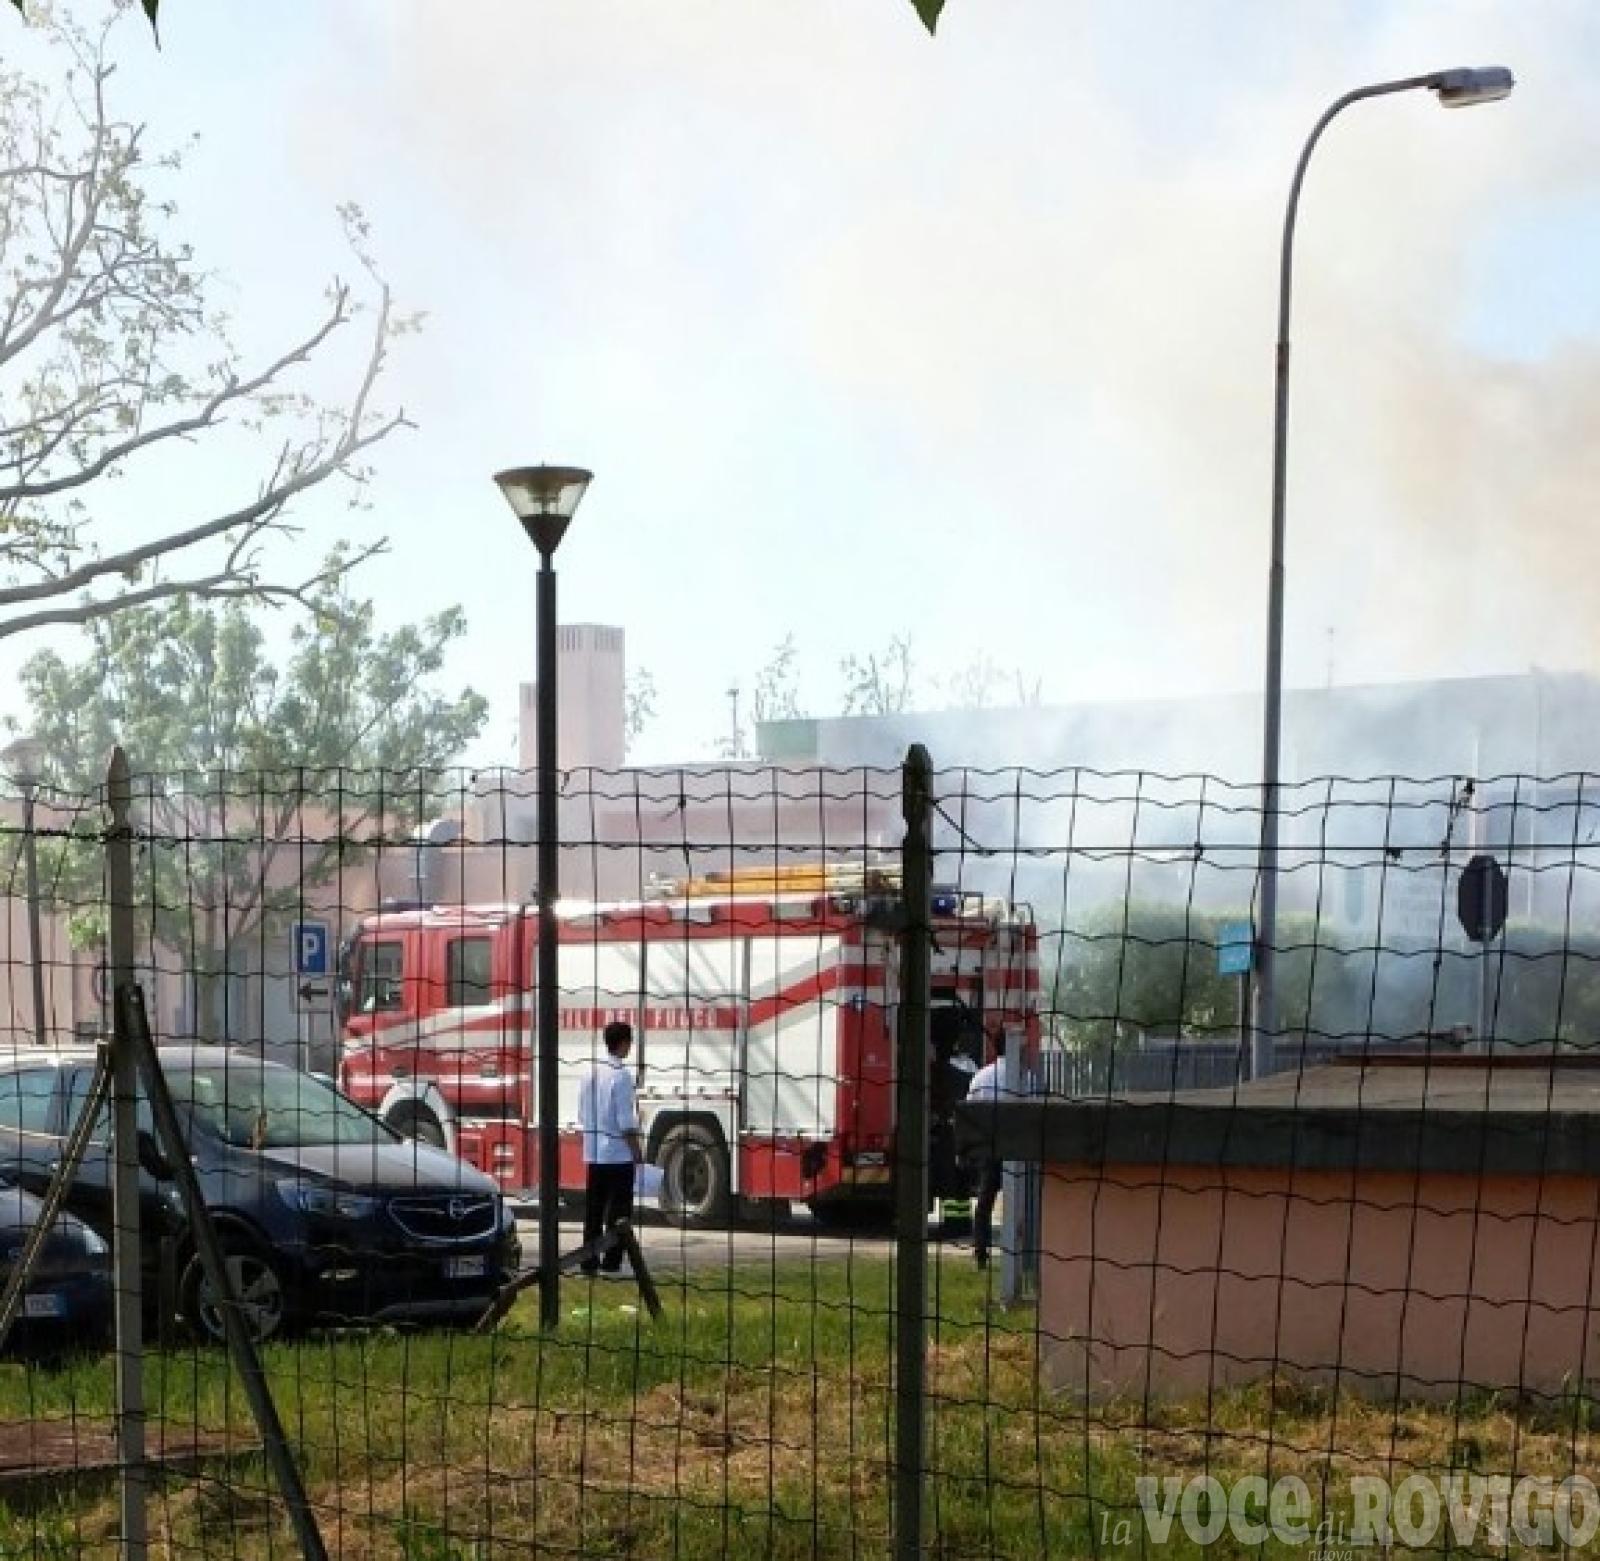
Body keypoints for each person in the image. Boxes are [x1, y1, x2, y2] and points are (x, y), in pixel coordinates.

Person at [577, 1019, 644, 1275]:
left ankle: (588, 1260)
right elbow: (626, 1121)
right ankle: (612, 1260)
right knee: (618, 1211)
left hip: (594, 1152)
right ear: (624, 1043)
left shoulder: (589, 1072)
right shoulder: (621, 1076)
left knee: (593, 1210)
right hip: (617, 1154)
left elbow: (582, 1113)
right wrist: (636, 1151)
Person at [965, 1030, 1009, 1269]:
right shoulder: (1027, 1079)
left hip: (988, 1149)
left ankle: (981, 1253)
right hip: (1019, 1150)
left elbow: (969, 1112)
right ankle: (1019, 1254)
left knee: (984, 1204)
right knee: (1022, 1203)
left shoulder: (981, 1078)